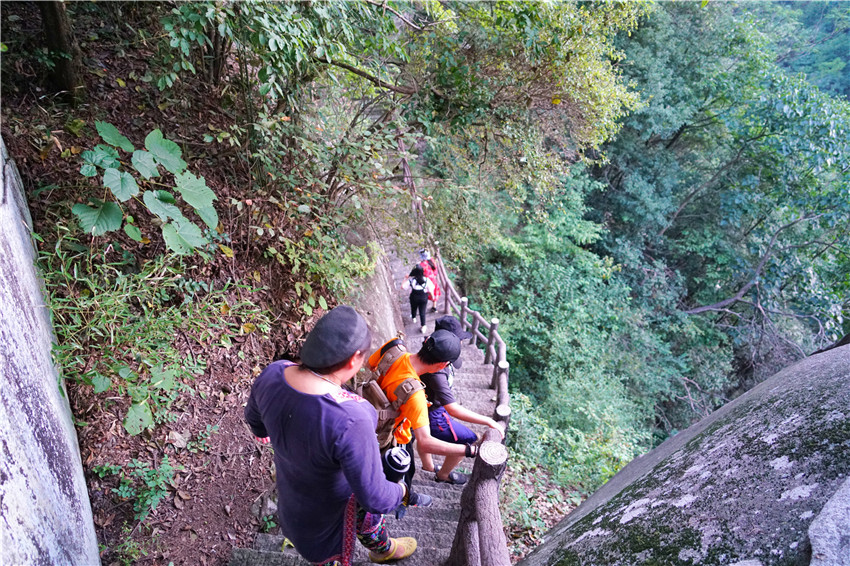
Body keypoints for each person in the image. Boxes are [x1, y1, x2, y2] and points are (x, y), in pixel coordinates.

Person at [245, 306, 417, 565]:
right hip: (328, 523)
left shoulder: (274, 372)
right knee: (360, 518)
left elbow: (255, 421)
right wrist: (402, 490)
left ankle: (384, 548)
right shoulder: (353, 417)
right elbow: (375, 497)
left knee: (365, 517)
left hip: (293, 504)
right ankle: (382, 550)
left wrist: (276, 435)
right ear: (353, 360)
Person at [367, 329, 479, 494]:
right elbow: (426, 442)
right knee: (403, 474)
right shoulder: (415, 396)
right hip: (391, 435)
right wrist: (469, 450)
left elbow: (371, 365)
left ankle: (409, 496)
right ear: (443, 365)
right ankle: (404, 499)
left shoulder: (394, 347)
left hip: (369, 408)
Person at [416, 316, 505, 485]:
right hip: (432, 413)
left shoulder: (430, 348)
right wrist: (488, 420)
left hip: (429, 407)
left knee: (423, 435)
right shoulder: (437, 373)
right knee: (468, 439)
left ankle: (428, 466)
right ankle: (443, 474)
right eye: (458, 339)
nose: (462, 343)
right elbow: (453, 409)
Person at [401, 265, 434, 334]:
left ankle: (414, 317)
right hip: (423, 298)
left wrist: (405, 278)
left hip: (414, 297)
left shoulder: (411, 280)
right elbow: (431, 290)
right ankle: (423, 326)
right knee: (422, 312)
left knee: (413, 308)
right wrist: (432, 297)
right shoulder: (427, 280)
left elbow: (403, 287)